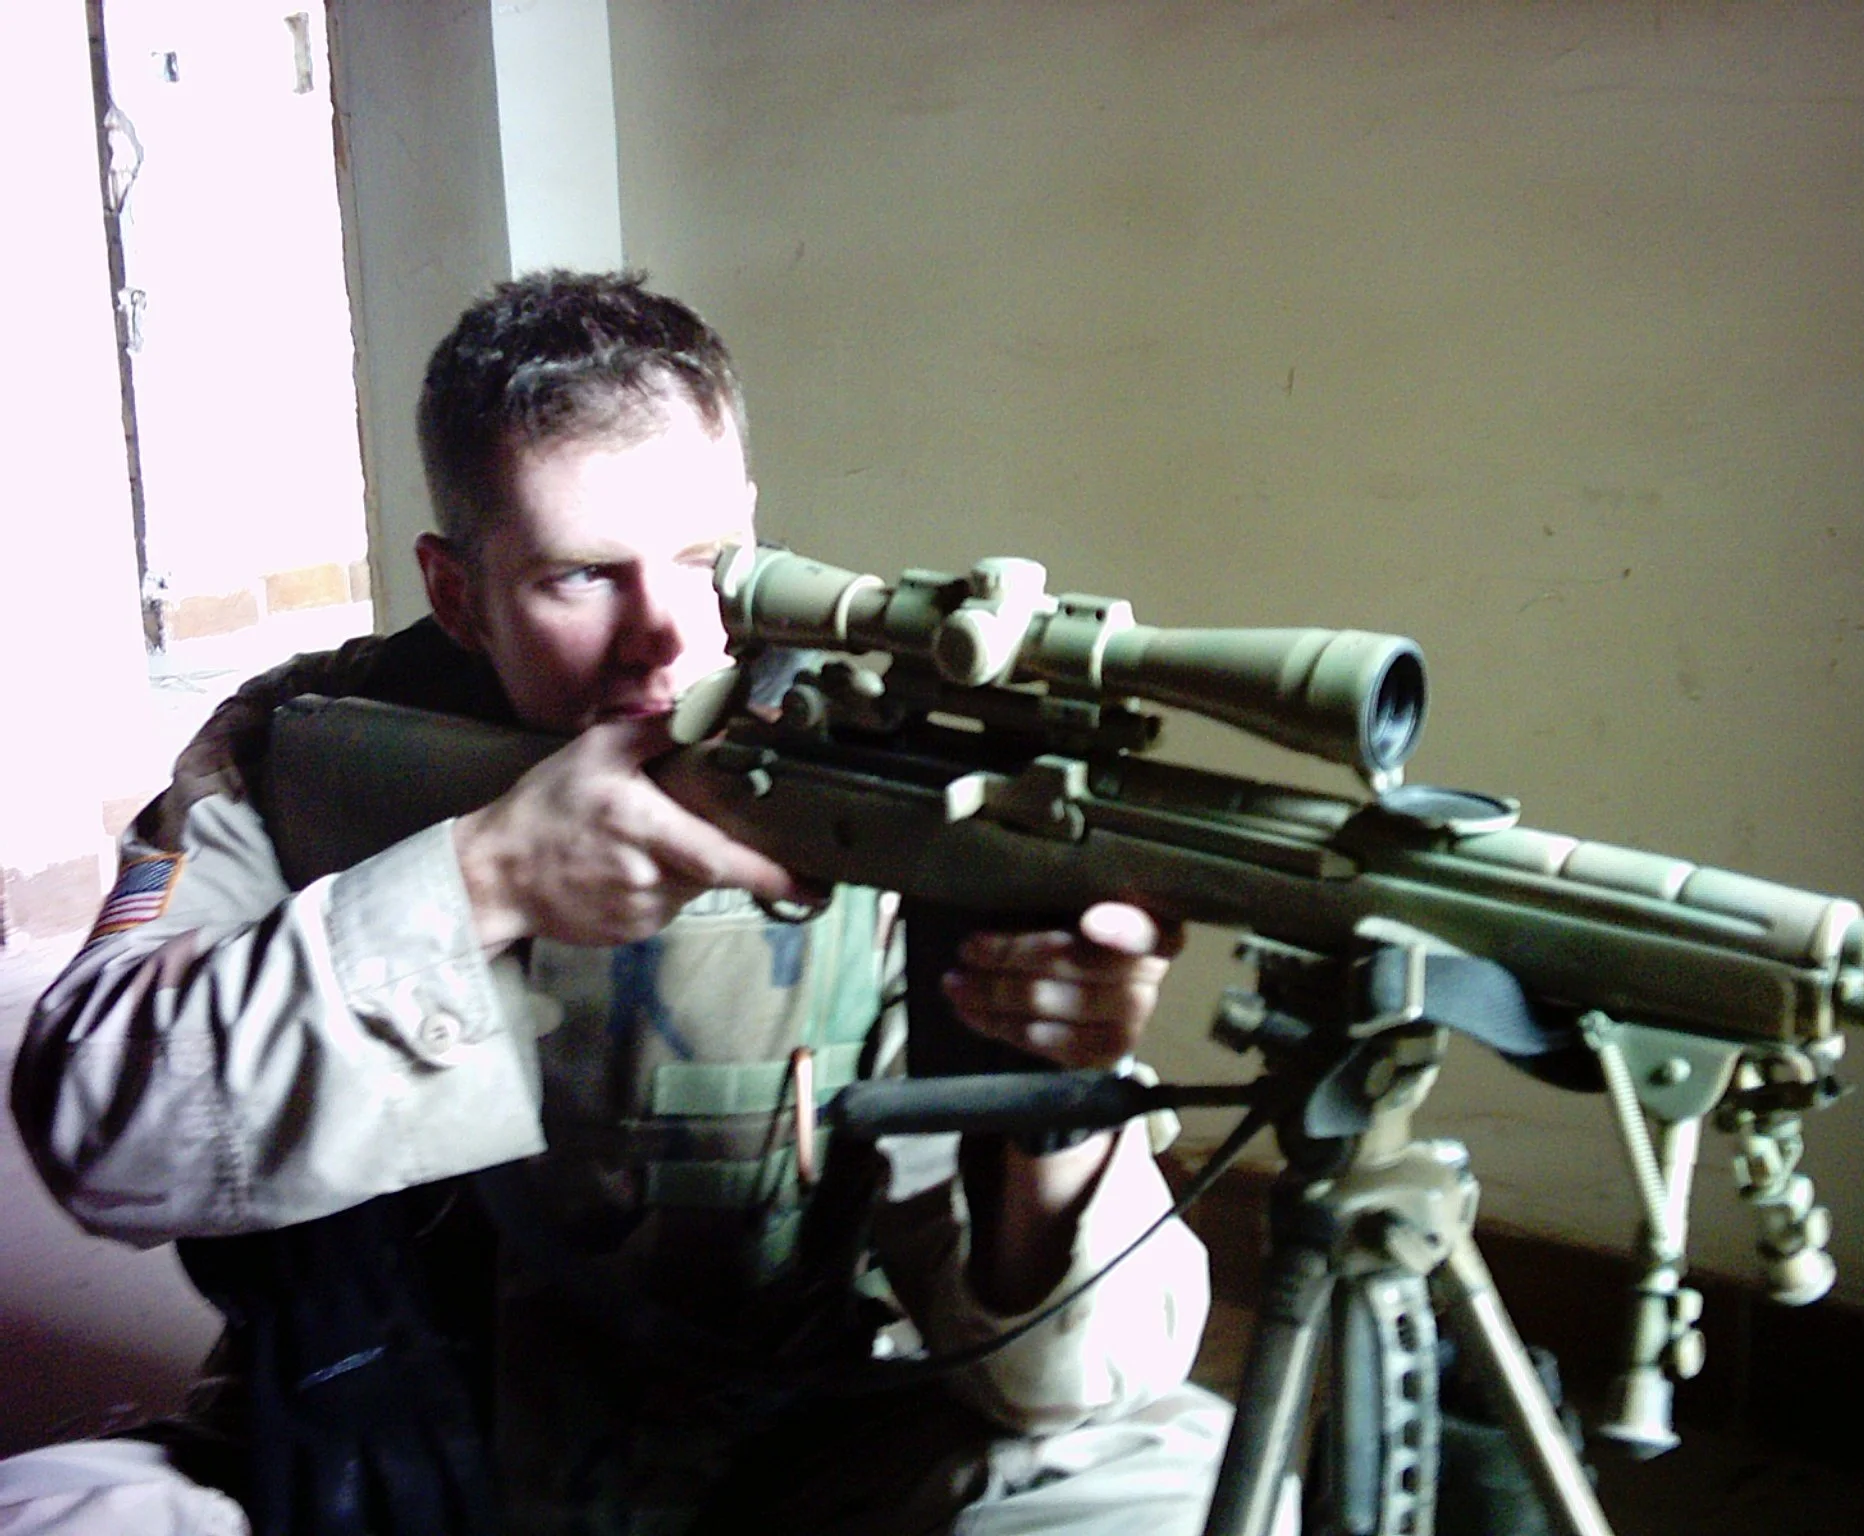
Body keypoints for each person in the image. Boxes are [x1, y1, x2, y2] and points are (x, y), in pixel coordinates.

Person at [9, 271, 1238, 1536]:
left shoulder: (868, 786)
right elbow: (105, 1133)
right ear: (454, 588)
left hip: (784, 1452)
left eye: (707, 563)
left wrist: (1052, 1101)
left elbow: (1059, 1386)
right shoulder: (296, 753)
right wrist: (481, 879)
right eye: (582, 576)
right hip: (379, 1438)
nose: (664, 637)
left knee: (1175, 1485)